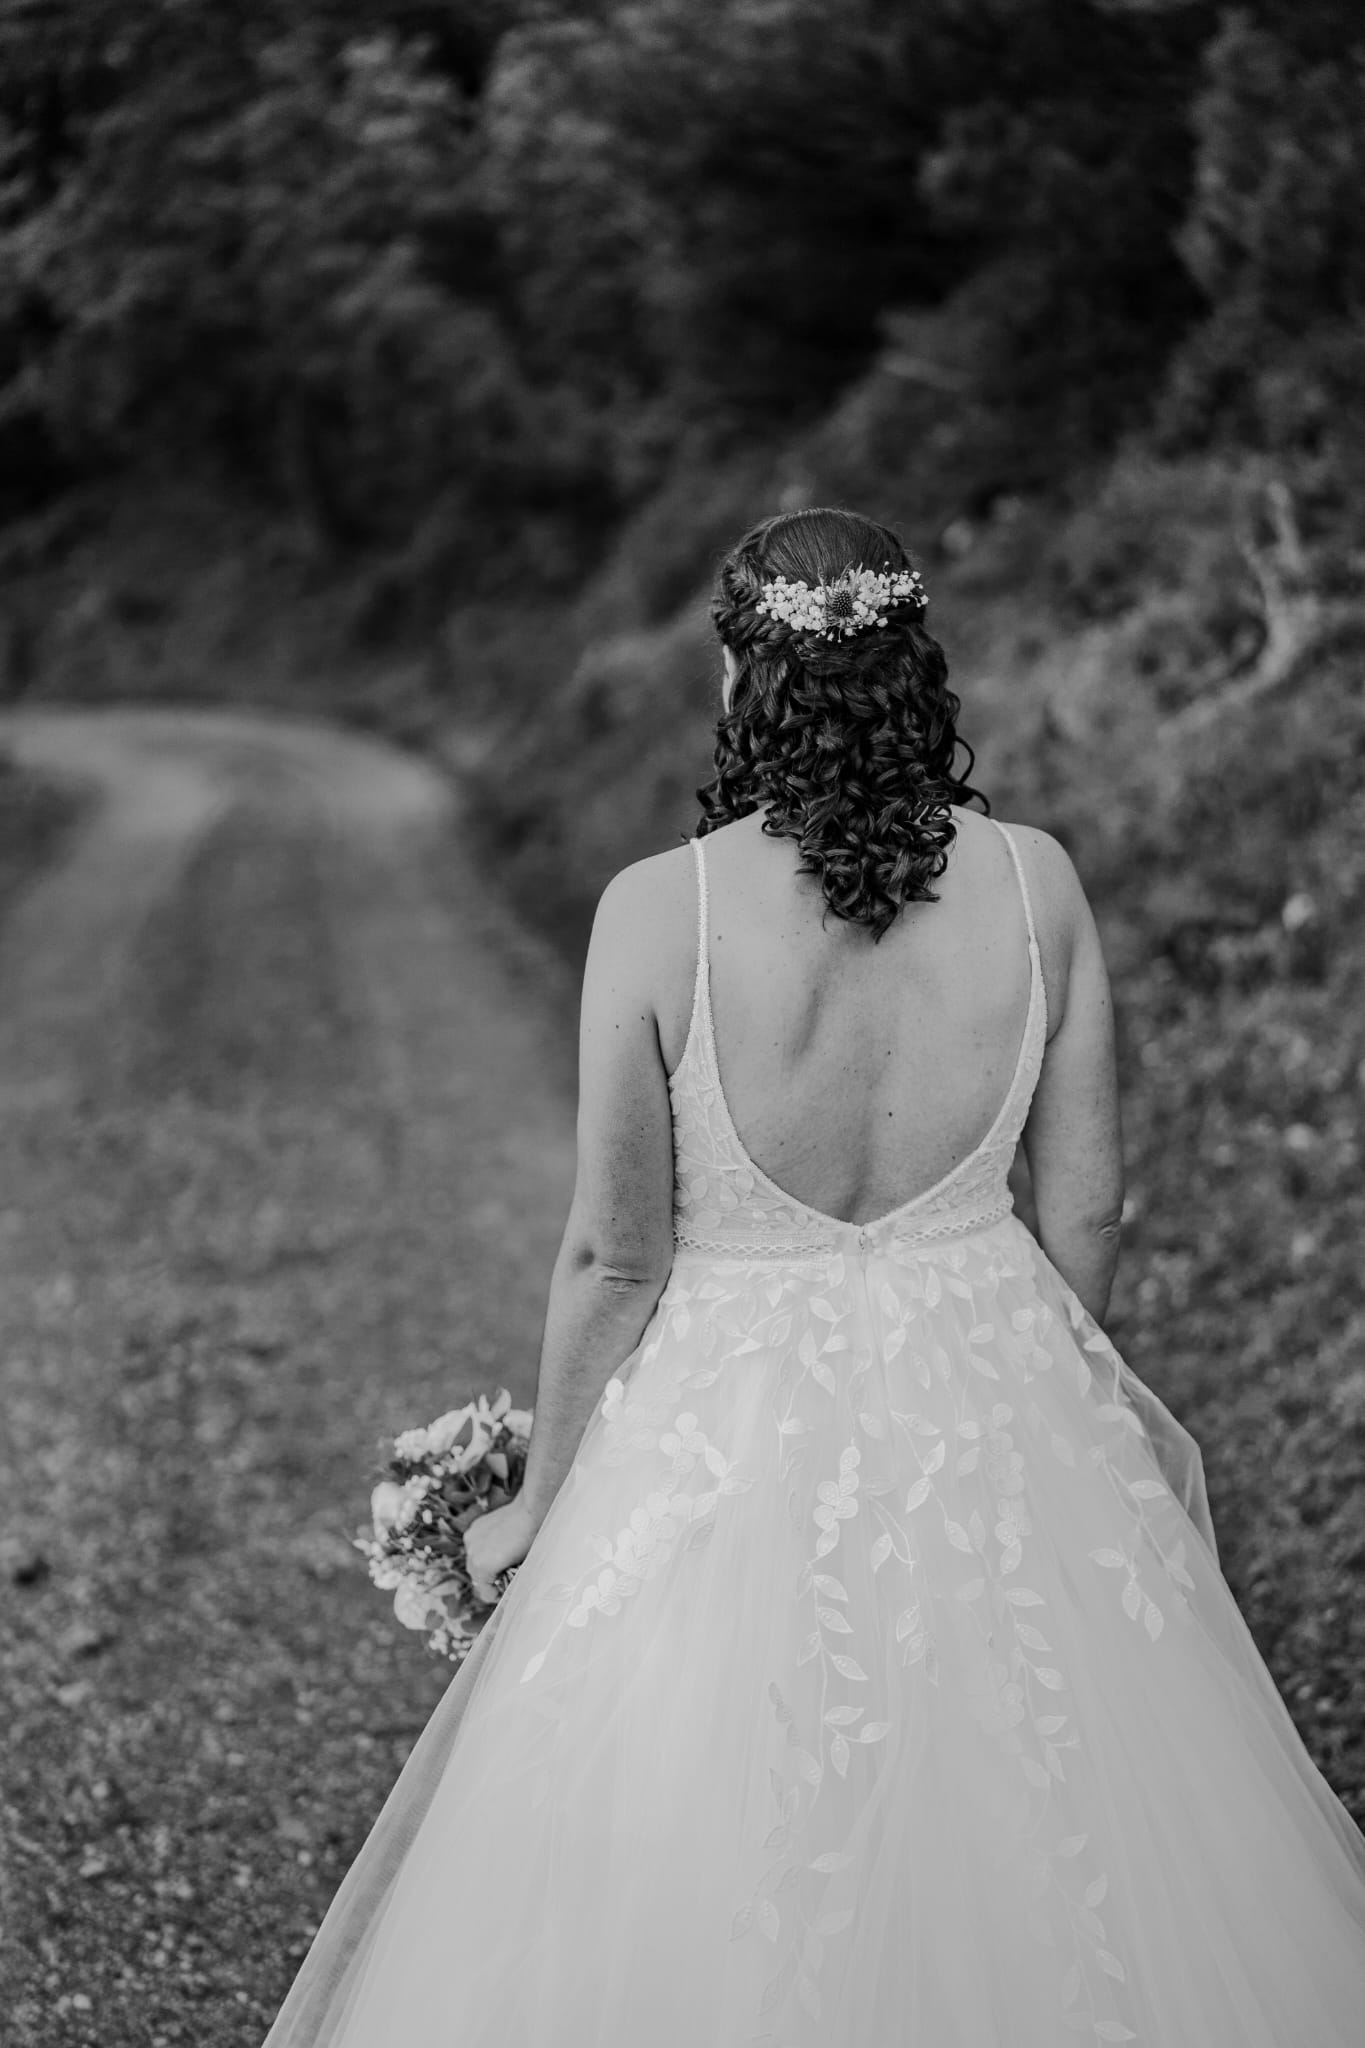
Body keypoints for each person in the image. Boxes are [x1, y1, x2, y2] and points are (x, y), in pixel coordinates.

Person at [263, 508, 1365, 2046]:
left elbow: (614, 1257)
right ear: (915, 667)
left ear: (738, 677)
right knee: (1049, 1827)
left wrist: (540, 1508)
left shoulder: (658, 911)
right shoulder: (1035, 886)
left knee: (707, 1821)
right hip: (993, 1380)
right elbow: (1090, 1204)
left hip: (728, 1426)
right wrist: (1039, 1408)